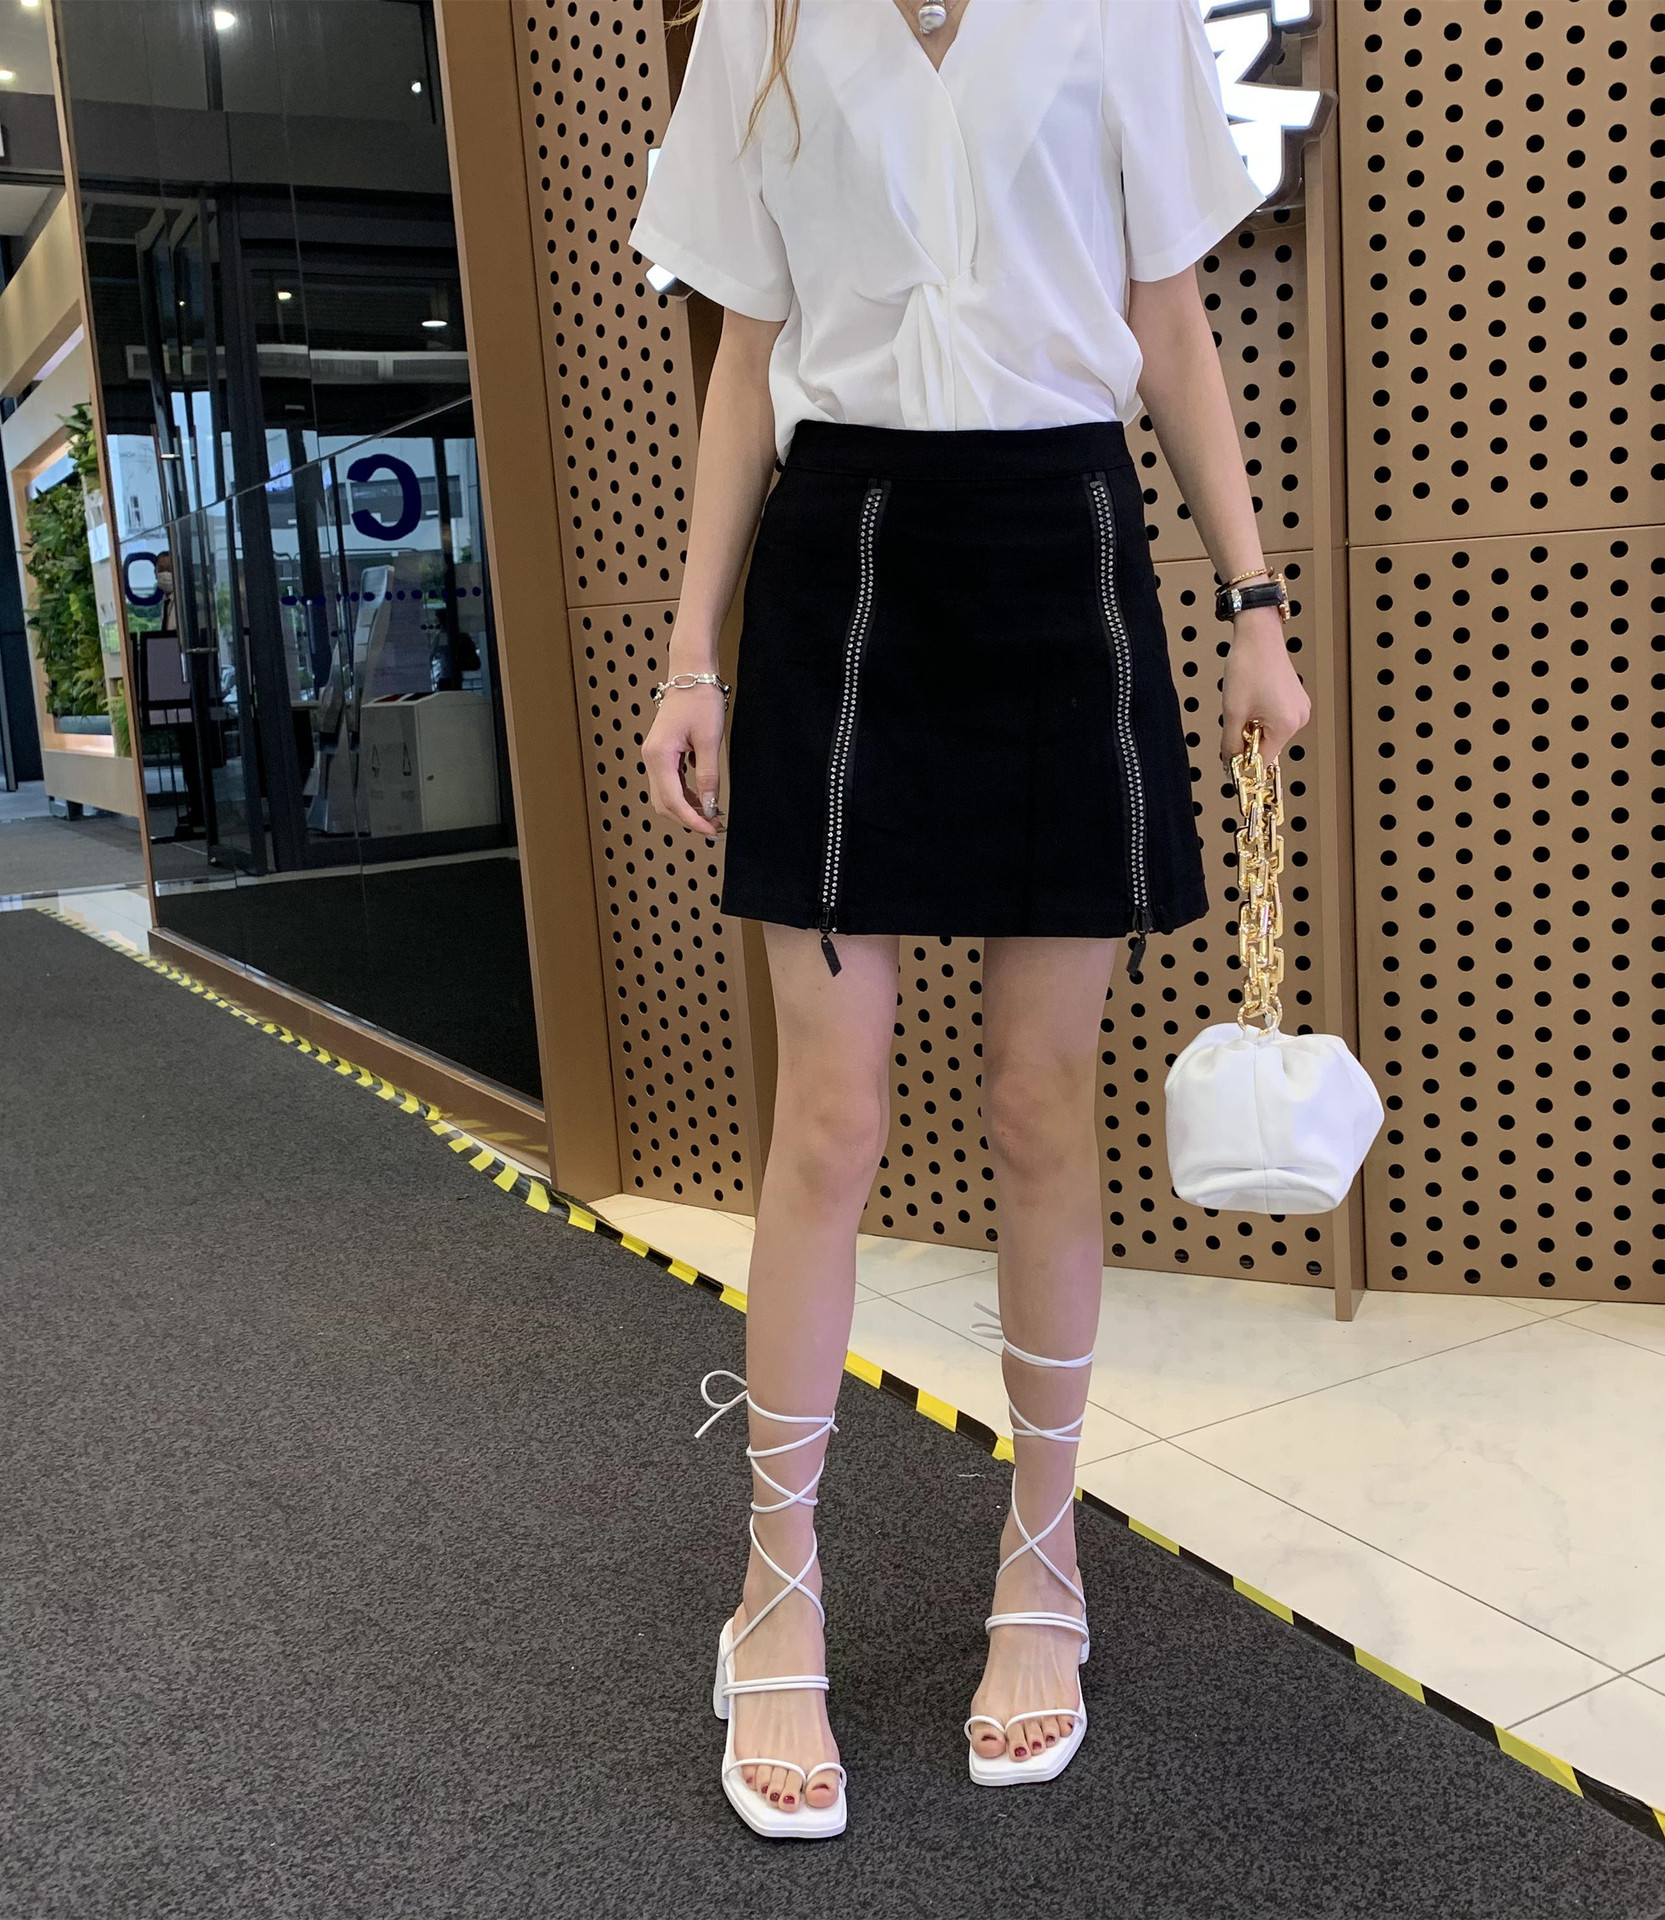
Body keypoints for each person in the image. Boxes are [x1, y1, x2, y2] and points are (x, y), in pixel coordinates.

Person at [630, 0, 1311, 1840]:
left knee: (1038, 1108)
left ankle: (1044, 1565)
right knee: (827, 1120)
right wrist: (689, 654)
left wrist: (1255, 606)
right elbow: (744, 353)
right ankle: (776, 1590)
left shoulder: (1122, 12)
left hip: (1062, 546)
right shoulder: (759, 22)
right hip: (841, 558)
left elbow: (1168, 318)